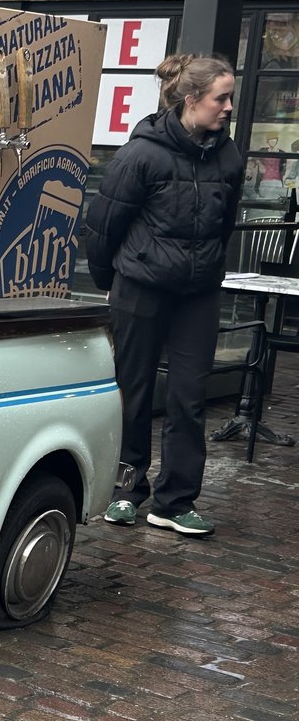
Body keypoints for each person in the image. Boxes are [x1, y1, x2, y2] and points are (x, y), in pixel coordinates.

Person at [83, 54, 244, 538]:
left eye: (231, 97)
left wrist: (207, 268)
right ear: (192, 99)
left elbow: (225, 223)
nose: (229, 107)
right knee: (131, 392)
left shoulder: (229, 157)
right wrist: (109, 282)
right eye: (221, 98)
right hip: (140, 287)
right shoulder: (141, 155)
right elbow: (103, 224)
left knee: (189, 397)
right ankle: (126, 489)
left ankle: (175, 502)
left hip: (197, 295)